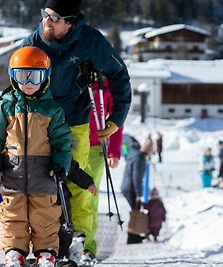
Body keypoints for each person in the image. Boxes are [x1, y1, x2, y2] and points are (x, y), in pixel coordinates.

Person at [22, 1, 131, 260]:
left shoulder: (90, 41)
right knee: (36, 182)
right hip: (39, 122)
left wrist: (116, 119)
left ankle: (80, 241)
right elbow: (16, 81)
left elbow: (119, 75)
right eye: (45, 15)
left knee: (77, 181)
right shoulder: (33, 41)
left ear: (69, 22)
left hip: (74, 122)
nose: (46, 21)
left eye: (54, 17)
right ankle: (36, 243)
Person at [0, 46, 72, 267]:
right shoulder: (6, 107)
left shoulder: (52, 109)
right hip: (12, 173)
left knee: (45, 216)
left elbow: (62, 141)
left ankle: (46, 252)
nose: (29, 82)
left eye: (36, 76)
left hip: (44, 173)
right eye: (23, 76)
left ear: (46, 78)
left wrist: (61, 165)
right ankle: (15, 252)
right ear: (14, 77)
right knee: (13, 214)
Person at [80, 79, 123, 265]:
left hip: (96, 149)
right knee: (71, 197)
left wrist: (114, 151)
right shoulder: (75, 79)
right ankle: (69, 241)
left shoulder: (106, 85)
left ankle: (87, 247)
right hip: (73, 146)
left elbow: (116, 119)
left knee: (89, 197)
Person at [121, 136, 153, 244]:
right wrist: (139, 194)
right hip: (130, 188)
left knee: (135, 210)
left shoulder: (136, 154)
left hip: (127, 186)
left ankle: (134, 235)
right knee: (135, 210)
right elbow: (136, 177)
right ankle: (132, 237)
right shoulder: (139, 158)